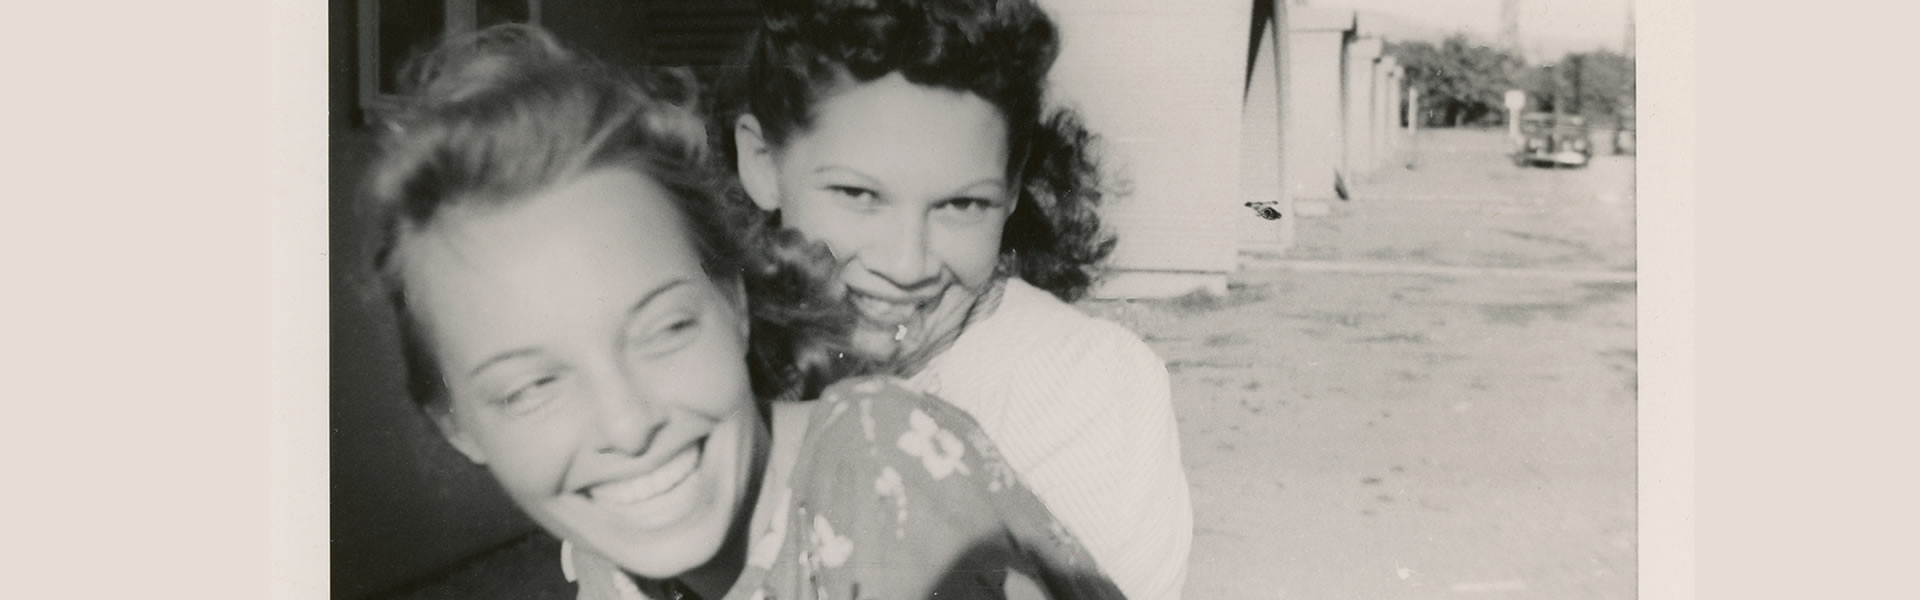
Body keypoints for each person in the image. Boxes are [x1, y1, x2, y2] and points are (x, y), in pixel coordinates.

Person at [362, 23, 1124, 599]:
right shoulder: (617, 546)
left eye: (663, 330)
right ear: (455, 422)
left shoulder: (880, 469)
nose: (627, 427)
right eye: (531, 386)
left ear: (734, 303)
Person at [723, 1, 1193, 597]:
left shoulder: (1084, 388)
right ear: (763, 163)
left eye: (961, 205)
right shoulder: (717, 360)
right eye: (858, 193)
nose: (906, 263)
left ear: (1015, 184)